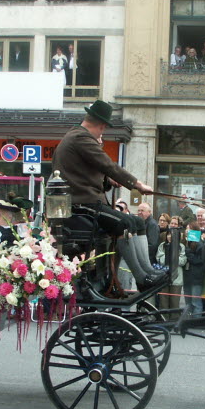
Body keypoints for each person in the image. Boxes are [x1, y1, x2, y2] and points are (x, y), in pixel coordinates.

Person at [51, 99, 164, 290]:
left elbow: (85, 173)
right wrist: (135, 184)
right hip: (83, 205)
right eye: (103, 130)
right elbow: (107, 164)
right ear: (101, 125)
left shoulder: (75, 137)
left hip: (85, 203)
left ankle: (148, 270)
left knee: (136, 222)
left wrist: (109, 181)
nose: (101, 135)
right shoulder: (81, 138)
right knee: (126, 223)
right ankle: (142, 278)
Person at [157, 216, 186, 313]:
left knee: (174, 305)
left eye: (172, 235)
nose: (170, 236)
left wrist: (172, 257)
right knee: (163, 304)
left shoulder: (181, 247)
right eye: (168, 234)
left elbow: (182, 261)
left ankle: (173, 323)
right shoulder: (162, 246)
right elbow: (160, 259)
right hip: (164, 278)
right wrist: (170, 256)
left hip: (176, 280)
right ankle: (163, 321)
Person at [182, 220, 205, 316]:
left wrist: (188, 252)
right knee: (188, 301)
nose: (187, 231)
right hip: (187, 276)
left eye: (189, 229)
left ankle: (196, 320)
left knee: (195, 301)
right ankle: (188, 319)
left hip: (196, 277)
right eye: (187, 228)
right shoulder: (186, 242)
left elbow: (199, 260)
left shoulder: (200, 244)